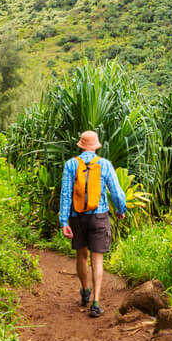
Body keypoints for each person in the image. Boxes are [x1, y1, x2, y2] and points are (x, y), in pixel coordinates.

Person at [60, 130, 127, 318]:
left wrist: (64, 221)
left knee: (81, 256)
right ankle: (96, 303)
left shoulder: (71, 165)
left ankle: (85, 291)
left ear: (81, 146)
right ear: (97, 146)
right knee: (97, 260)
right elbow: (116, 192)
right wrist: (121, 210)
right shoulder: (104, 164)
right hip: (99, 216)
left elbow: (65, 194)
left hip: (77, 217)